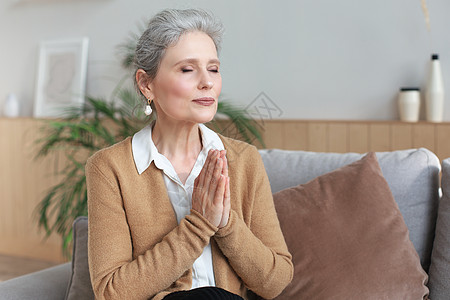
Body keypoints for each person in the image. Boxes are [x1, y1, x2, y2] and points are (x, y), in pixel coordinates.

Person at [86, 8, 293, 300]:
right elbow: (111, 292)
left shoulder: (244, 159)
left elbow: (275, 282)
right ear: (146, 84)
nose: (207, 82)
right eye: (187, 69)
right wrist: (200, 225)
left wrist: (226, 224)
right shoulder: (111, 168)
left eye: (214, 68)